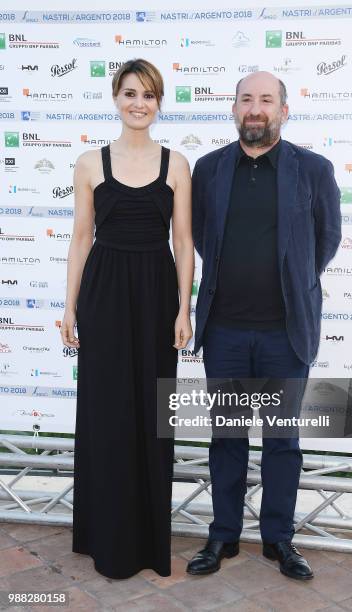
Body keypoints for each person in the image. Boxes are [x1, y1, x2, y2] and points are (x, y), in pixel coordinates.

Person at [187, 71, 341, 580]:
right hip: (226, 334)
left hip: (286, 334)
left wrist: (294, 280)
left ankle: (279, 540)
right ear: (233, 109)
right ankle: (223, 537)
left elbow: (326, 240)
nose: (256, 108)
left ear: (284, 110)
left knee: (281, 441)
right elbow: (202, 238)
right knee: (226, 437)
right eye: (247, 99)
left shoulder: (313, 170)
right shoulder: (208, 170)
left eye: (266, 100)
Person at [60, 58, 194, 579]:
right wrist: (69, 305)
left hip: (158, 293)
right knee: (106, 414)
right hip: (105, 292)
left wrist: (185, 307)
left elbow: (183, 243)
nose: (140, 103)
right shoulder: (89, 163)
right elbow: (80, 239)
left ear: (159, 103)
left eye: (149, 95)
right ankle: (104, 538)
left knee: (153, 415)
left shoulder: (176, 164)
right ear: (116, 97)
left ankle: (145, 540)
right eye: (131, 93)